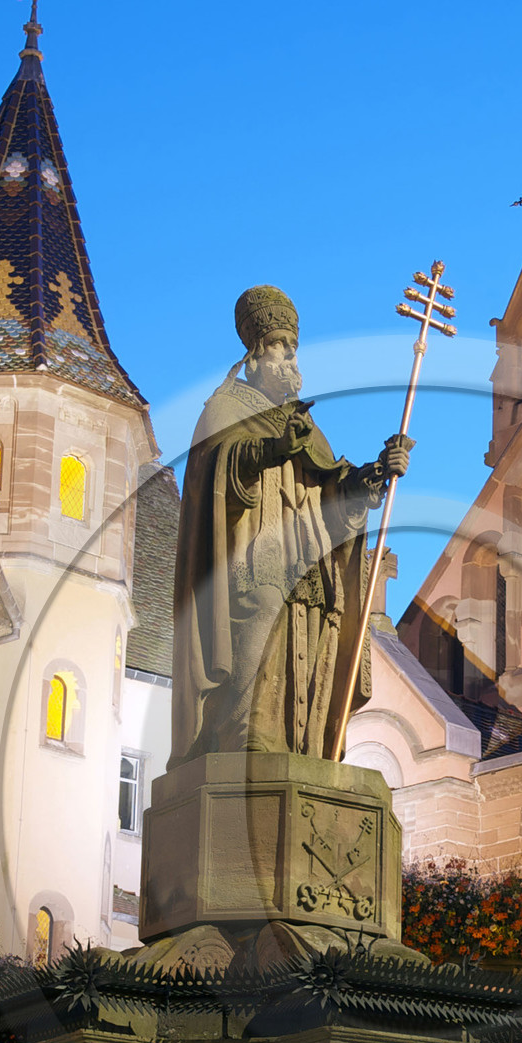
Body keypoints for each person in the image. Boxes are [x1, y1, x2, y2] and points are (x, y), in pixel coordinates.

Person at [170, 284, 412, 761]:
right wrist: (270, 448)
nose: (288, 359)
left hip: (305, 556)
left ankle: (296, 746)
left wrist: (376, 473)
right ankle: (241, 739)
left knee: (315, 631)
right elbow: (214, 472)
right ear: (255, 354)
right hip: (252, 551)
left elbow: (332, 493)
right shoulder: (226, 407)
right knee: (262, 613)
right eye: (278, 348)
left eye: (292, 349)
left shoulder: (304, 423)